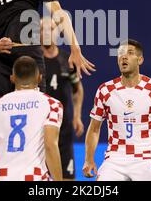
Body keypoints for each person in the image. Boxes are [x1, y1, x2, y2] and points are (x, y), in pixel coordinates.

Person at [83, 39, 151, 181]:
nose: (124, 57)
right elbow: (94, 128)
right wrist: (89, 159)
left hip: (146, 158)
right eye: (120, 54)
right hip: (115, 159)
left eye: (130, 53)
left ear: (140, 60)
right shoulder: (106, 90)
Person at [0, 56, 63, 181]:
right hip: (34, 177)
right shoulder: (52, 104)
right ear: (39, 77)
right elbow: (50, 146)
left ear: (12, 78)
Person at [41, 17, 85, 180]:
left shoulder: (67, 60)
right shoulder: (34, 61)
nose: (46, 33)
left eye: (50, 29)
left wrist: (77, 116)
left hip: (63, 129)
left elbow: (77, 89)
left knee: (67, 178)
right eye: (42, 30)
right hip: (39, 131)